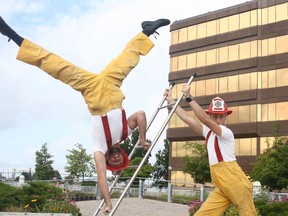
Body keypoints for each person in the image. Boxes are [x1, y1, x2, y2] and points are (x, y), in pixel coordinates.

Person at [0, 16, 170, 214]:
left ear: (108, 160)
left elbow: (100, 176)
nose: (115, 160)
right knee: (126, 60)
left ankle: (13, 36)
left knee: (57, 66)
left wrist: (108, 203)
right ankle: (146, 31)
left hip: (93, 92)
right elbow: (140, 114)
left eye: (113, 163)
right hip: (111, 86)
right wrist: (141, 139)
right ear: (122, 155)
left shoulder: (99, 148)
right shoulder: (124, 134)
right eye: (119, 161)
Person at [164, 84, 257, 216]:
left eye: (221, 117)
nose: (218, 120)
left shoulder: (226, 132)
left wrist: (189, 97)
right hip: (222, 186)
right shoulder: (208, 133)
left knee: (248, 214)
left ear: (226, 117)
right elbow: (187, 118)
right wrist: (171, 101)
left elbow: (205, 120)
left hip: (236, 182)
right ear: (211, 115)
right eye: (215, 116)